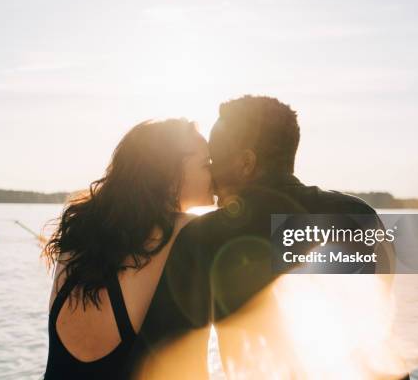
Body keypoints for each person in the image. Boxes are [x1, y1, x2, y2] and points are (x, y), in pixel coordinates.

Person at [128, 95, 391, 377]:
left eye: (215, 159)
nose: (212, 174)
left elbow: (176, 366)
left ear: (245, 163)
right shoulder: (359, 216)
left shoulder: (201, 237)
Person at [42, 118, 214, 379]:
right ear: (171, 173)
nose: (217, 172)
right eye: (207, 164)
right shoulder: (190, 233)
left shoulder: (79, 227)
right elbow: (294, 248)